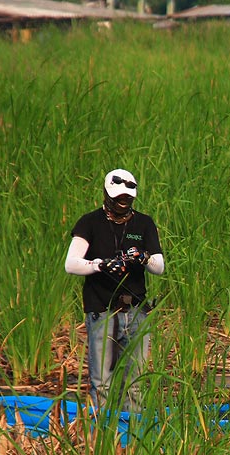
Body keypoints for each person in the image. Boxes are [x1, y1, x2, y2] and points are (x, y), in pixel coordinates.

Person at [64, 168, 164, 412]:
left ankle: (132, 436)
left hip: (136, 311)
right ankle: (101, 434)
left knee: (134, 383)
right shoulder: (89, 222)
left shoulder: (144, 223)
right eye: (118, 199)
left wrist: (143, 258)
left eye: (127, 200)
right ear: (107, 196)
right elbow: (71, 264)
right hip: (103, 311)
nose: (123, 204)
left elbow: (159, 267)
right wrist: (100, 264)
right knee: (102, 383)